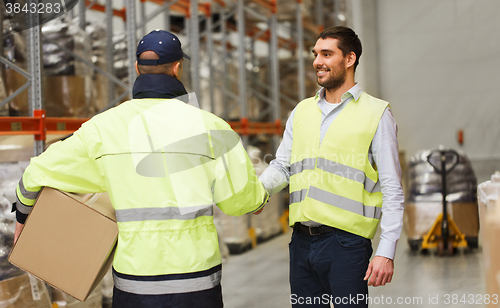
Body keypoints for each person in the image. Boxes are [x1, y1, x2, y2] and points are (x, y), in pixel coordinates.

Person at [13, 30, 268, 308]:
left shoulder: (103, 127)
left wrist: (23, 218)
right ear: (177, 67)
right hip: (196, 279)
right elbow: (241, 201)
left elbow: (36, 174)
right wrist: (259, 199)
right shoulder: (212, 127)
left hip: (135, 281)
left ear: (136, 68)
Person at [259, 26, 404, 307]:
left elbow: (392, 188)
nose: (317, 62)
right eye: (315, 54)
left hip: (347, 245)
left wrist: (386, 251)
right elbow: (283, 166)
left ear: (349, 59)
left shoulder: (376, 114)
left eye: (327, 54)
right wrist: (258, 192)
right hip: (301, 243)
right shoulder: (301, 111)